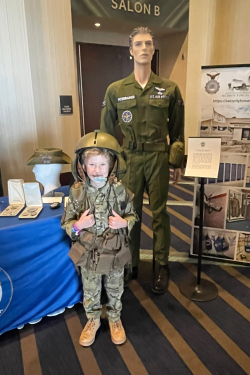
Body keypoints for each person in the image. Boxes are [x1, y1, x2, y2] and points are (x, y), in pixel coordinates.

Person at [100, 27, 184, 294]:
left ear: (153, 49)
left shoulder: (169, 89)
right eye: (139, 44)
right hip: (131, 159)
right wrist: (109, 166)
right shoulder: (116, 90)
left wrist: (177, 161)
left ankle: (161, 266)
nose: (144, 48)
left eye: (149, 43)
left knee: (160, 214)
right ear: (131, 51)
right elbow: (105, 134)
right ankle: (130, 264)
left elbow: (178, 131)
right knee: (129, 215)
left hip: (159, 157)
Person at [61, 131, 137, 347]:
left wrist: (125, 223)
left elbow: (133, 215)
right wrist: (78, 225)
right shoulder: (76, 193)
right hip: (89, 251)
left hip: (114, 250)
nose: (97, 170)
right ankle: (93, 319)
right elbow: (67, 225)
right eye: (92, 164)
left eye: (102, 164)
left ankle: (114, 318)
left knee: (115, 288)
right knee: (91, 289)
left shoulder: (120, 191)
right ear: (82, 166)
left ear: (112, 165)